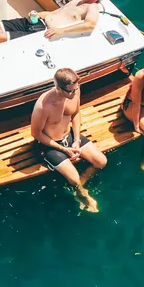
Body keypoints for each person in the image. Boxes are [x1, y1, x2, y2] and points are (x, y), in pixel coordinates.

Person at [30, 68, 107, 213]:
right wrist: (64, 149)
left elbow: (76, 113)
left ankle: (80, 186)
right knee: (73, 178)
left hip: (69, 136)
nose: (74, 93)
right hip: (50, 145)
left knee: (101, 161)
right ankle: (82, 193)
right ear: (59, 88)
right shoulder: (44, 105)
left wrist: (77, 140)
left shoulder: (75, 92)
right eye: (70, 91)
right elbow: (36, 134)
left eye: (76, 89)